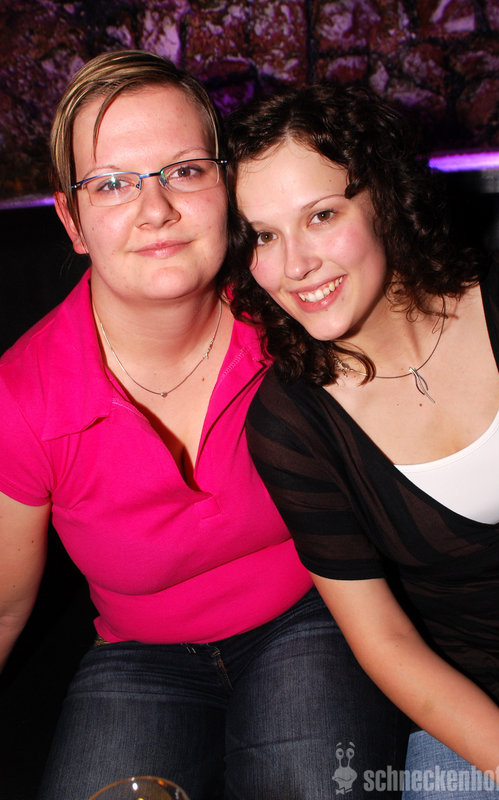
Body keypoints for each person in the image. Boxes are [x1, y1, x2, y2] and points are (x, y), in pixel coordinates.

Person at [0, 52, 410, 800]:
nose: (155, 209)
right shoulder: (23, 396)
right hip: (138, 656)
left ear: (228, 189)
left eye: (186, 171)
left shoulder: (298, 309)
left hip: (314, 612)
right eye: (112, 183)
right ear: (71, 221)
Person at [225, 82, 499, 800]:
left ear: (386, 202)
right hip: (478, 718)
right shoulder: (291, 424)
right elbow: (386, 645)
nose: (294, 265)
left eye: (321, 215)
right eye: (264, 235)